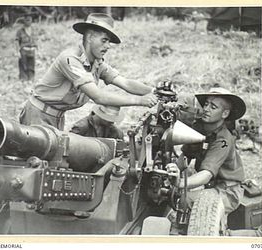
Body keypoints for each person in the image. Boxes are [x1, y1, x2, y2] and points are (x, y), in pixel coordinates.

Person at [19, 13, 157, 130]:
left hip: (57, 116)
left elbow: (125, 83)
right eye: (104, 40)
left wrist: (154, 92)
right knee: (36, 161)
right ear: (90, 37)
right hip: (37, 115)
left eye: (108, 42)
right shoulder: (70, 59)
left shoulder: (97, 63)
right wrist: (140, 100)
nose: (108, 46)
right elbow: (98, 97)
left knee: (53, 160)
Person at [167, 87, 247, 216]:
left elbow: (206, 174)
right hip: (212, 187)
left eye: (213, 107)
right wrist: (169, 175)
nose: (206, 109)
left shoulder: (223, 140)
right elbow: (185, 157)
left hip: (227, 191)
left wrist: (180, 183)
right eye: (206, 104)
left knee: (184, 200)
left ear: (224, 114)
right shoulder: (199, 128)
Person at [15, 14, 37, 81]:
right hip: (24, 50)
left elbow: (35, 40)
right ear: (24, 21)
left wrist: (37, 49)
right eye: (27, 20)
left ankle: (31, 79)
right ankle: (23, 80)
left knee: (31, 66)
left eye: (30, 20)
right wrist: (17, 51)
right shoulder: (20, 31)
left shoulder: (33, 30)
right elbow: (16, 41)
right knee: (23, 66)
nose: (28, 21)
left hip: (32, 50)